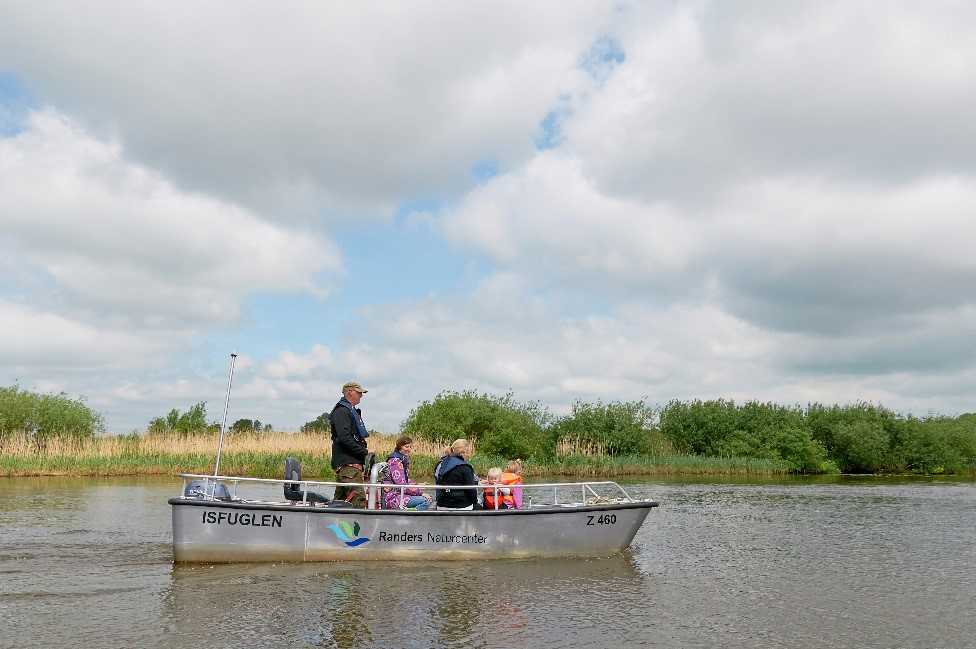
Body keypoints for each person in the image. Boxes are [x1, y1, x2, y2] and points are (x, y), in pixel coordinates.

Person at [329, 381, 370, 508]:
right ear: (349, 392)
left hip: (350, 467)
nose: (361, 396)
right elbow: (344, 438)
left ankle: (331, 526)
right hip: (349, 467)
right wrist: (364, 452)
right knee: (358, 502)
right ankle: (360, 526)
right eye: (359, 393)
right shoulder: (342, 411)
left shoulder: (348, 411)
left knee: (340, 503)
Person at [383, 435, 431, 510]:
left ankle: (408, 511)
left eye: (410, 447)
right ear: (400, 447)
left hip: (399, 493)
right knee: (426, 501)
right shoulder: (395, 462)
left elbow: (405, 480)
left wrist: (417, 485)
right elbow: (401, 484)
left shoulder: (401, 459)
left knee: (429, 499)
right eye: (406, 447)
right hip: (392, 496)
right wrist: (421, 493)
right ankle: (408, 514)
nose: (409, 449)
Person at [434, 438, 481, 510]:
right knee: (479, 505)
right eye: (469, 452)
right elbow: (472, 492)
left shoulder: (440, 464)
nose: (469, 455)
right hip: (461, 506)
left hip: (441, 505)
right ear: (463, 452)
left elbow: (437, 482)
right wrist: (475, 501)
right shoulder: (465, 467)